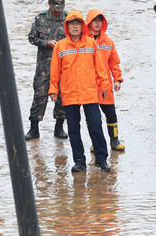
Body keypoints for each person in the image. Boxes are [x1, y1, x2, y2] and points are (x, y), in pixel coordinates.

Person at [49, 11, 112, 173]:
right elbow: (55, 71)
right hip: (69, 94)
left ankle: (101, 159)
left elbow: (100, 68)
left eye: (77, 23)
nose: (75, 26)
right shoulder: (60, 46)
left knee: (96, 126)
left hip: (90, 92)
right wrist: (53, 89)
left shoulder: (91, 44)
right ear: (67, 26)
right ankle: (79, 160)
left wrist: (104, 86)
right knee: (73, 129)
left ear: (82, 26)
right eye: (71, 24)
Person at [25, 0, 67, 141]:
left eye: (59, 8)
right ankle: (34, 128)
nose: (57, 11)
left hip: (63, 66)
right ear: (49, 4)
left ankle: (59, 127)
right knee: (39, 95)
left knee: (62, 96)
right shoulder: (39, 18)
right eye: (55, 8)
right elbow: (32, 38)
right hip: (44, 66)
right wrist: (46, 43)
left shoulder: (69, 19)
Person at [86, 9, 124, 151]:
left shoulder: (108, 41)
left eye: (99, 20)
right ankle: (95, 143)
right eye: (94, 21)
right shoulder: (83, 41)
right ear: (89, 22)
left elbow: (114, 63)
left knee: (111, 114)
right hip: (89, 85)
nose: (97, 23)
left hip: (105, 84)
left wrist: (117, 79)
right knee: (92, 118)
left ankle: (114, 140)